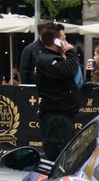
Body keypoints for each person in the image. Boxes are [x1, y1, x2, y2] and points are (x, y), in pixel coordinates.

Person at [35, 25, 80, 161]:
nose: (67, 43)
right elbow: (69, 70)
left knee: (66, 153)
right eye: (64, 39)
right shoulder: (46, 59)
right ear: (56, 41)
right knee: (60, 155)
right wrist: (71, 52)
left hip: (63, 114)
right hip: (56, 117)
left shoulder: (52, 59)